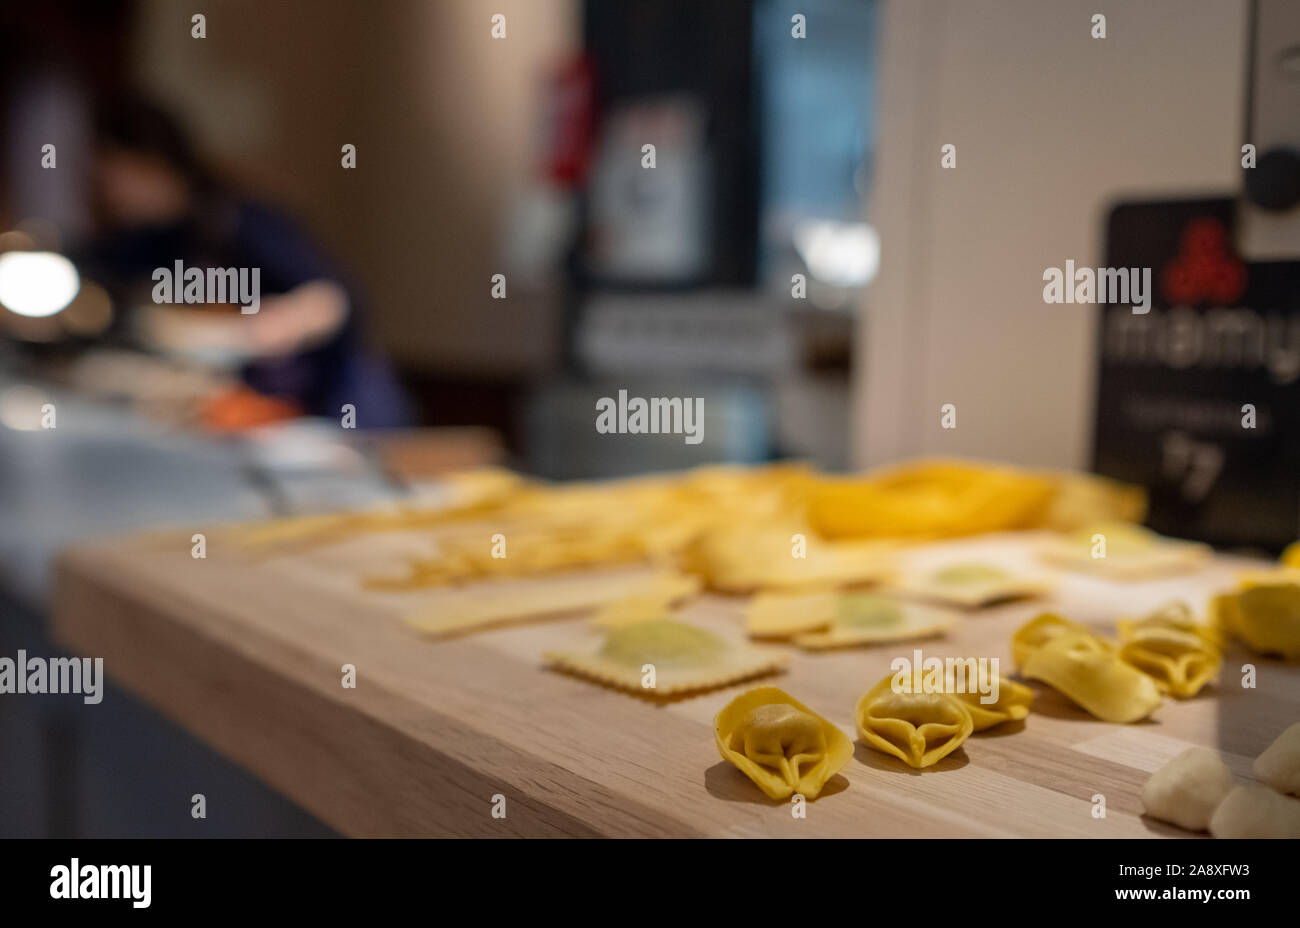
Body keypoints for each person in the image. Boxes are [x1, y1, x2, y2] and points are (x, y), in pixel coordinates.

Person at [74, 96, 409, 427]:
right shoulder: (143, 242)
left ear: (149, 163)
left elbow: (333, 299)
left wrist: (277, 324)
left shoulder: (243, 219)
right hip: (242, 417)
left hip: (329, 412)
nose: (107, 194)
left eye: (111, 176)